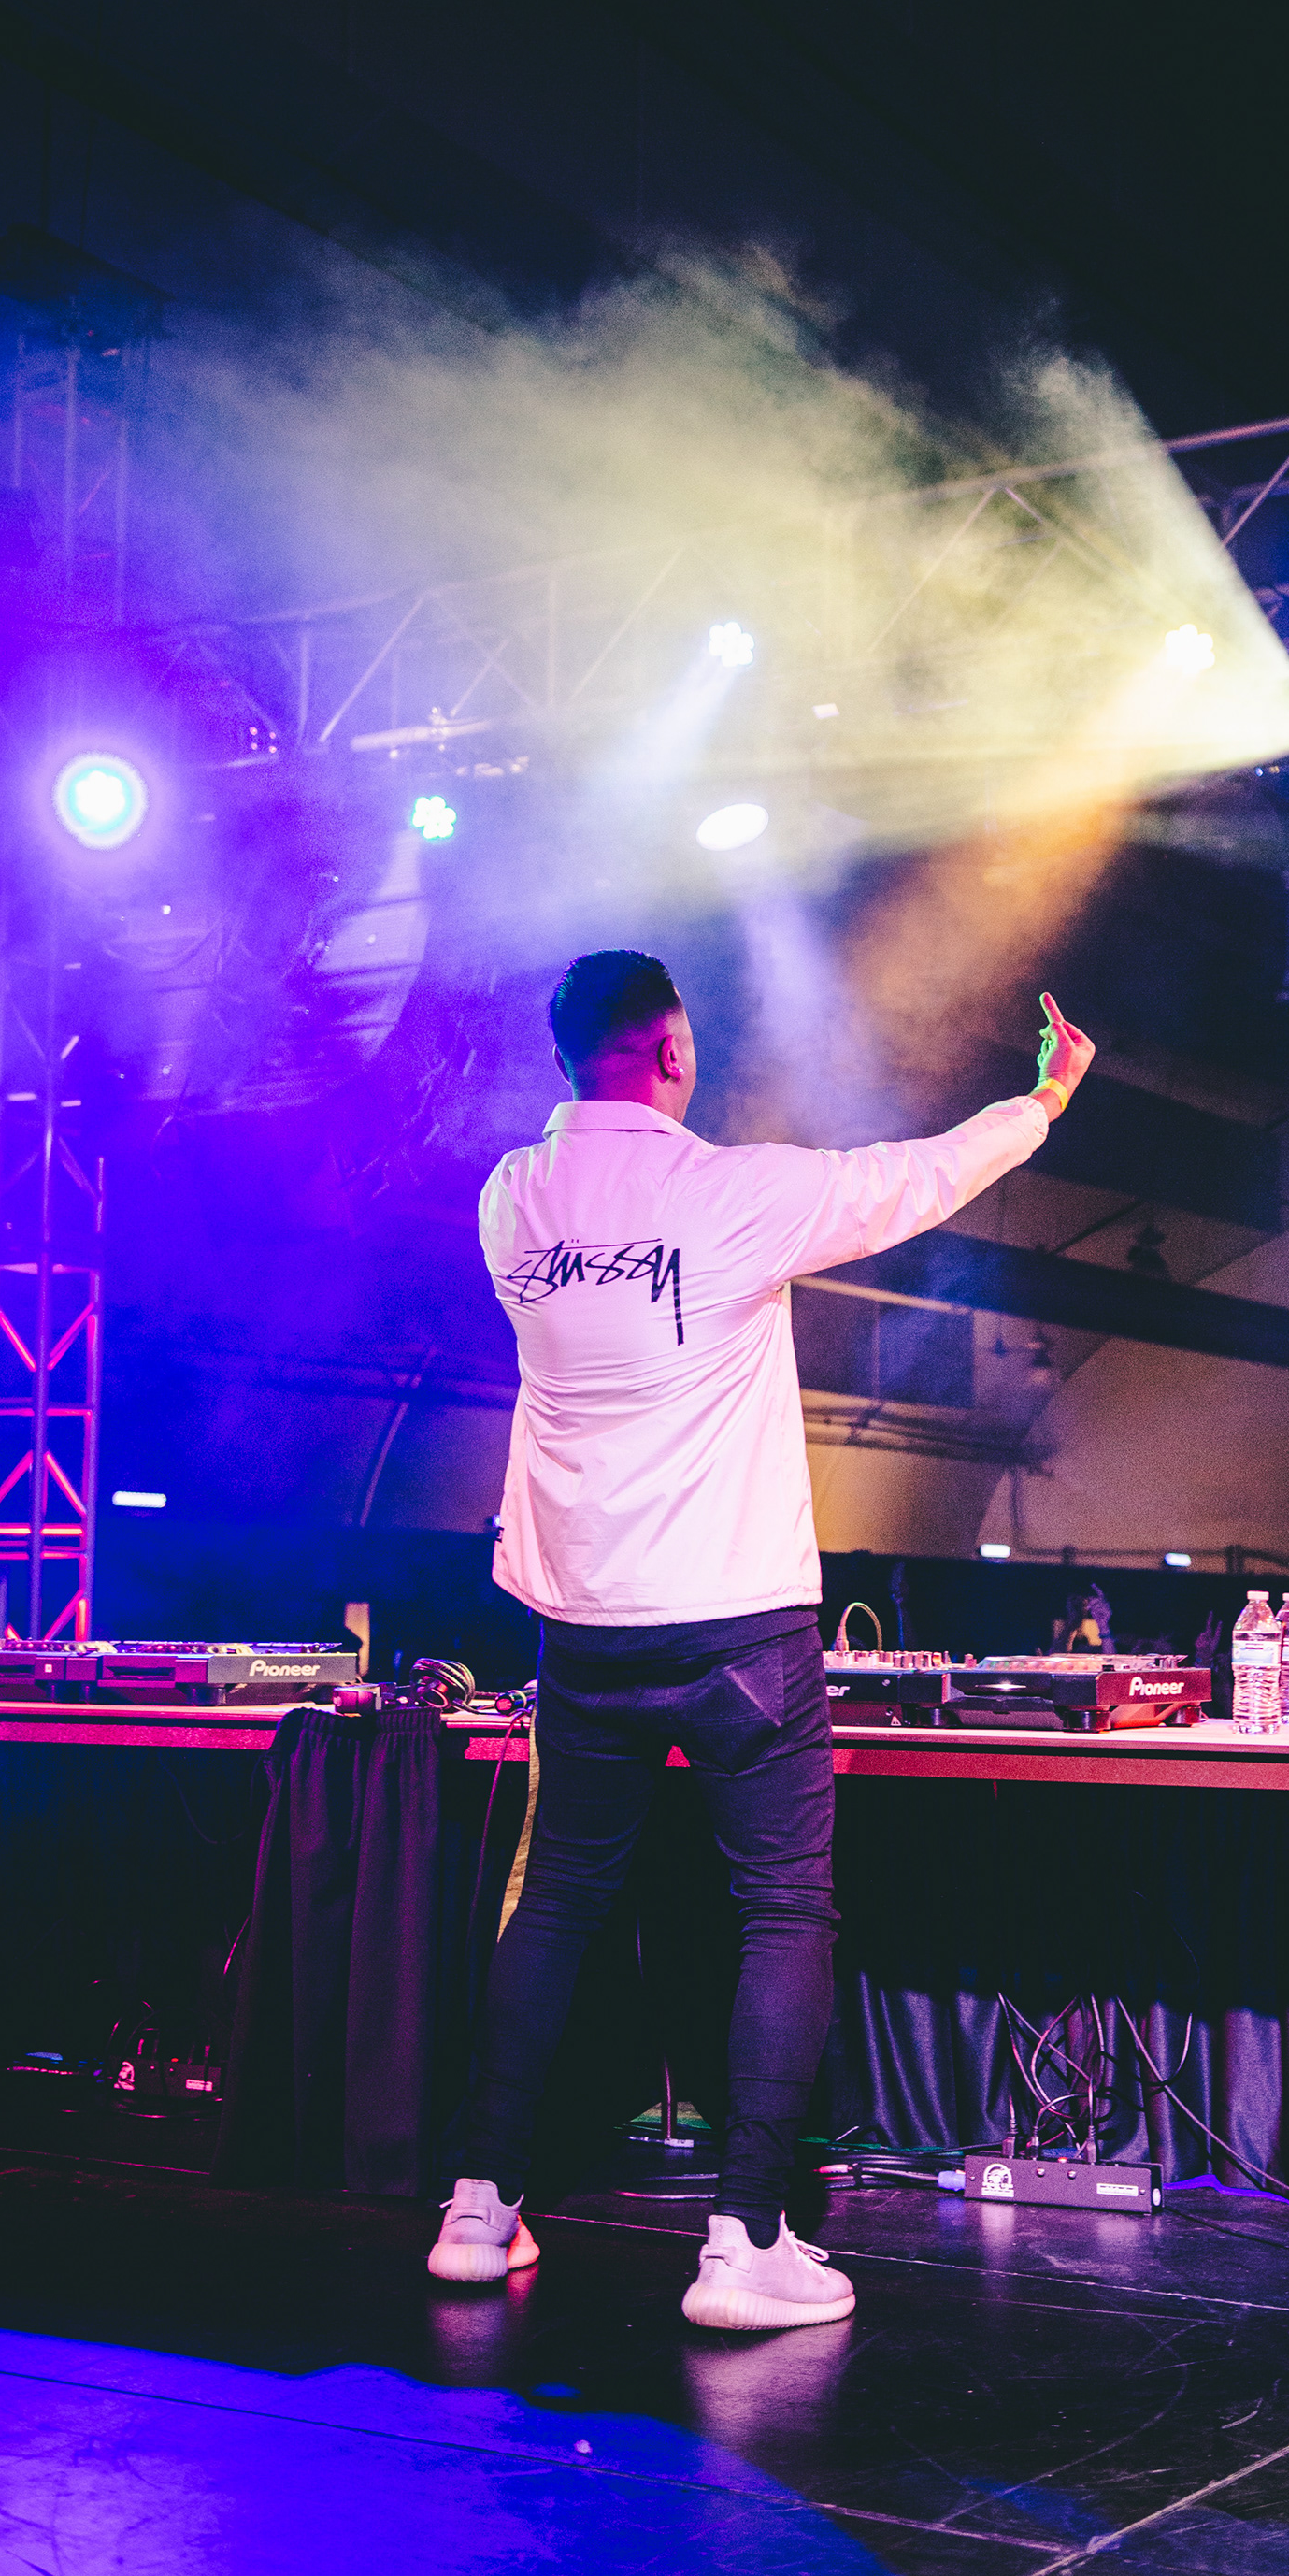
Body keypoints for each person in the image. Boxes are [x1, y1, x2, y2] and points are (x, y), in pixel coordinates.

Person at [429, 950, 1095, 2329]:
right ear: (674, 1050)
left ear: (564, 1058)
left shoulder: (509, 1203)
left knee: (559, 1902)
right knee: (783, 1909)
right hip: (736, 1624)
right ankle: (744, 2243)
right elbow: (914, 1178)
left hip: (584, 1628)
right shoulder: (733, 1196)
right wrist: (1041, 1102)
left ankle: (478, 2209)